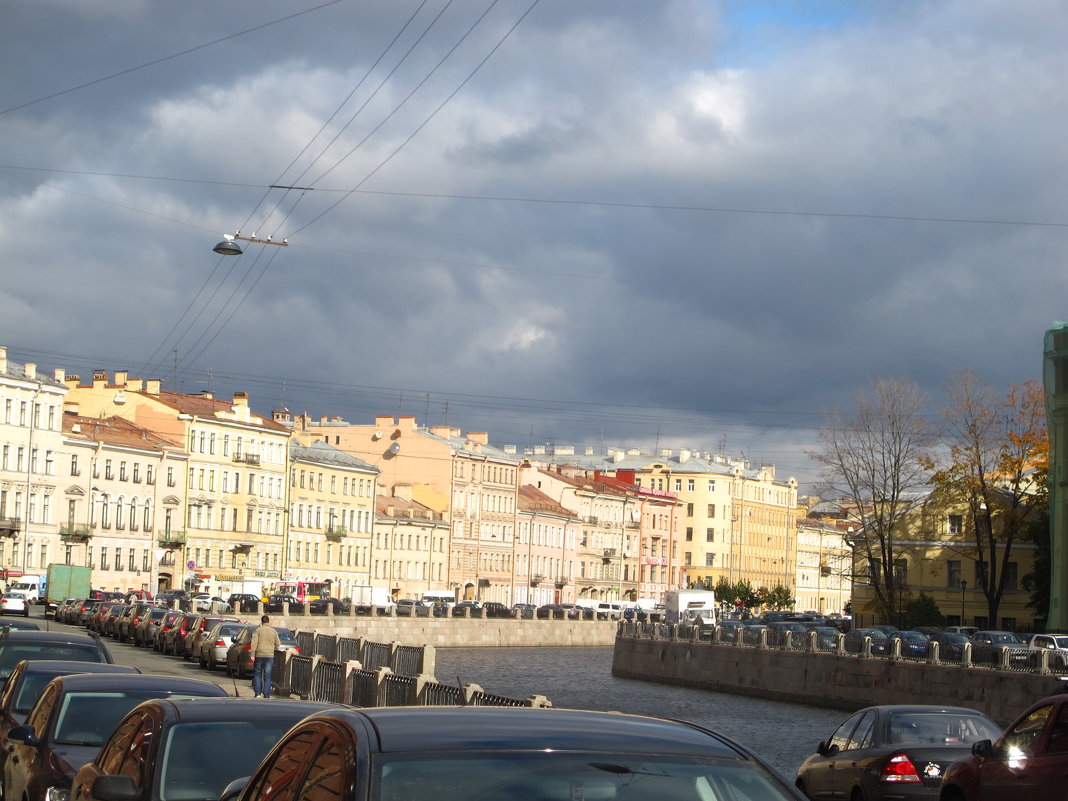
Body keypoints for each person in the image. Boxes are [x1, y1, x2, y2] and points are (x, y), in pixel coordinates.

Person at [251, 614, 282, 698]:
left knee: (257, 674)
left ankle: (257, 693)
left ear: (261, 622)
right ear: (269, 621)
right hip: (269, 656)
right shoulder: (273, 631)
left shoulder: (258, 630)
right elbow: (278, 644)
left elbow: (254, 643)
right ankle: (267, 694)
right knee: (267, 675)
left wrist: (252, 654)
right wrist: (272, 648)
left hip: (259, 655)